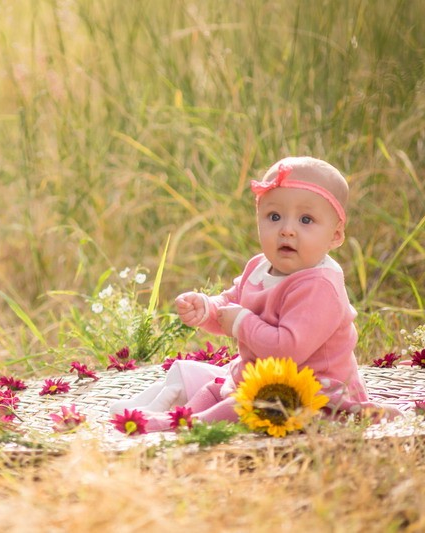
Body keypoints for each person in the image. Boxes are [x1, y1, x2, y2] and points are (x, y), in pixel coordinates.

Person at [110, 156, 400, 431]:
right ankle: (169, 414)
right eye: (274, 216)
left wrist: (241, 322)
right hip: (262, 378)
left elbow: (288, 349)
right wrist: (209, 308)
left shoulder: (320, 286)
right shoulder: (260, 267)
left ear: (335, 235)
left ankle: (186, 424)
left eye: (306, 220)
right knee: (214, 386)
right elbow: (231, 302)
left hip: (311, 392)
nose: (287, 230)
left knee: (246, 404)